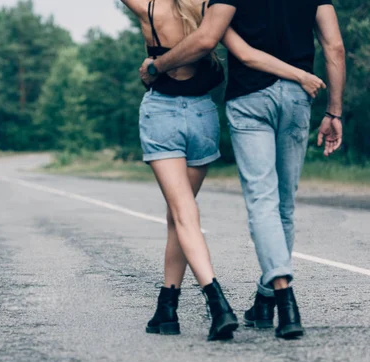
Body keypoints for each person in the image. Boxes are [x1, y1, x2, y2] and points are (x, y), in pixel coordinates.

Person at [138, 0, 346, 339]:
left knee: (262, 202)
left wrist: (156, 66)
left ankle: (282, 298)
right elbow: (334, 47)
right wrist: (334, 111)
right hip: (296, 98)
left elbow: (214, 41)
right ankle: (266, 300)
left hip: (251, 99)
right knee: (284, 205)